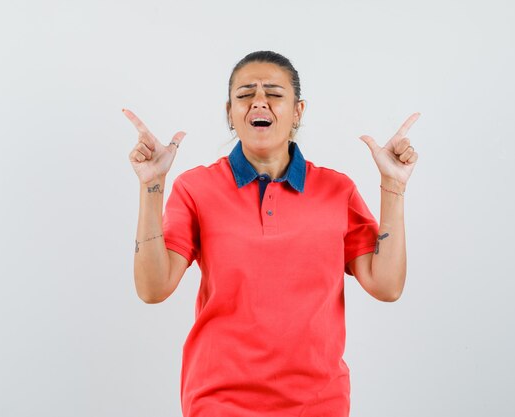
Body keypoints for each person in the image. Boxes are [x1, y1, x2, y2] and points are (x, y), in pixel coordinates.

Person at [124, 50, 419, 417]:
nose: (258, 102)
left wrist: (393, 186)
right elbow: (153, 289)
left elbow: (387, 285)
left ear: (298, 111)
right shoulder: (195, 188)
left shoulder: (336, 189)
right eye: (245, 95)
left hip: (319, 403)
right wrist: (152, 186)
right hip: (218, 401)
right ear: (230, 112)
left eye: (274, 94)